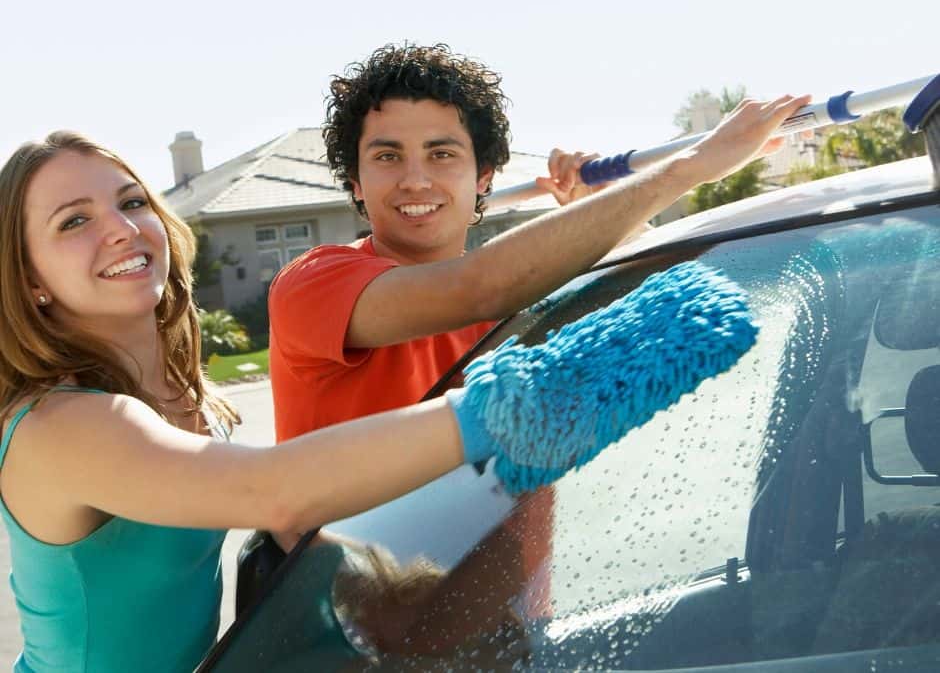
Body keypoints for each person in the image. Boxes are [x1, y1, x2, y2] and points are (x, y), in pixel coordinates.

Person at [0, 131, 597, 672]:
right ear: (30, 280)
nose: (122, 229)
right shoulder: (59, 425)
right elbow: (272, 491)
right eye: (73, 222)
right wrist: (505, 405)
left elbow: (274, 517)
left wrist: (404, 590)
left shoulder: (178, 391)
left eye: (132, 202)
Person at [266, 44, 809, 620]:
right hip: (350, 632)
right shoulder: (313, 284)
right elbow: (476, 287)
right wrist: (690, 166)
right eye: (387, 156)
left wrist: (606, 212)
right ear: (354, 181)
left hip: (509, 627)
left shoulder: (527, 289)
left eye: (441, 153)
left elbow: (669, 308)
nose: (415, 179)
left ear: (484, 177)